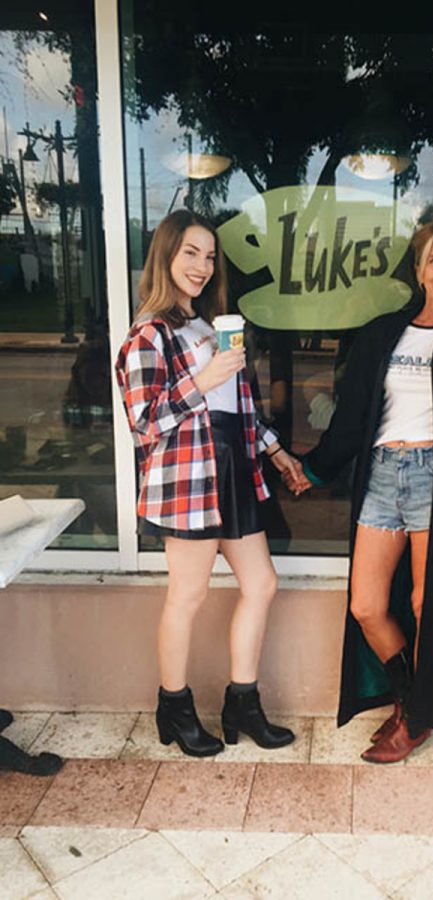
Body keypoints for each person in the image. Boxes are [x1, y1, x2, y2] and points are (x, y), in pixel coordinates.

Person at [287, 208, 433, 763]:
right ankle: (414, 702)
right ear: (419, 268)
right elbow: (353, 418)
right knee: (366, 605)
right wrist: (311, 470)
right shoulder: (384, 334)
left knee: (424, 603)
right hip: (385, 476)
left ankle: (412, 719)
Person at [116, 210, 302, 757]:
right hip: (187, 476)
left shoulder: (211, 325)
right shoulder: (148, 334)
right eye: (190, 253)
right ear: (166, 256)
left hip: (232, 466)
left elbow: (237, 406)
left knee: (261, 584)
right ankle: (174, 706)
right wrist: (201, 379)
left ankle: (242, 701)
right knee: (189, 594)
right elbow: (143, 423)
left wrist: (275, 449)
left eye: (210, 256)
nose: (202, 265)